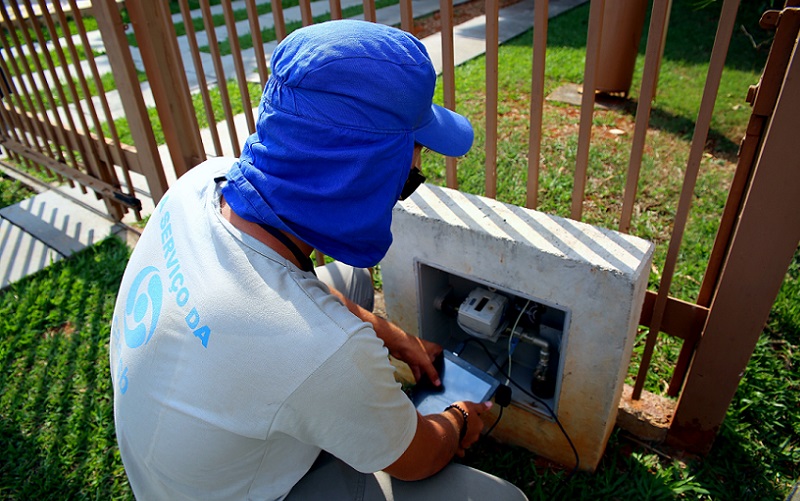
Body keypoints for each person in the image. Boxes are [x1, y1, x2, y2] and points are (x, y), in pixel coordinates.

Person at [109, 20, 527, 500]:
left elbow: (276, 292)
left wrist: (389, 334)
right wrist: (459, 418)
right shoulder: (320, 350)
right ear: (362, 174)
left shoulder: (201, 183)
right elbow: (419, 458)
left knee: (349, 282)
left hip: (168, 467)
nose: (410, 177)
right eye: (406, 175)